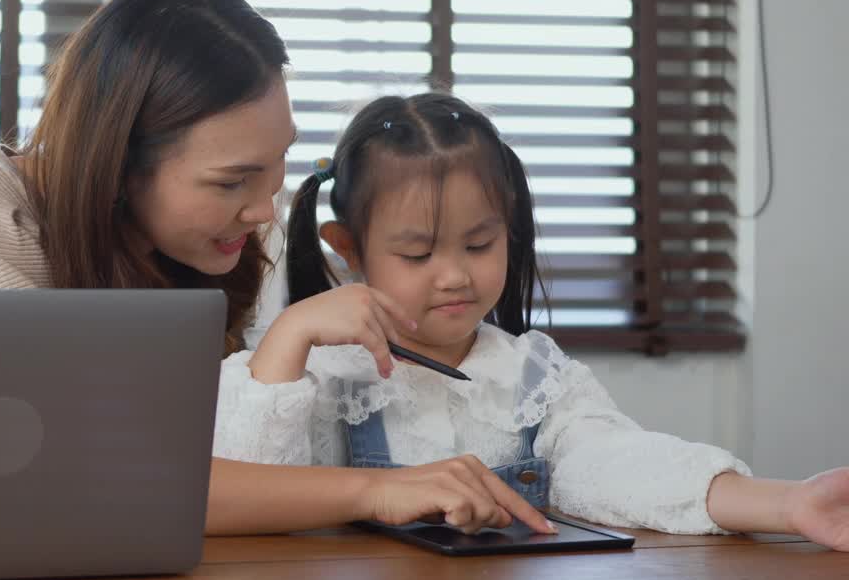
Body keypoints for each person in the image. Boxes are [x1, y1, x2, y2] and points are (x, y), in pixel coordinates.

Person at [0, 0, 554, 536]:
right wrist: (375, 490)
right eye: (231, 181)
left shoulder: (227, 233)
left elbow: (234, 452)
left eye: (279, 163)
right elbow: (75, 478)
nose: (265, 208)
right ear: (120, 166)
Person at [214, 92, 849, 549]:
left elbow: (621, 464)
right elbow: (235, 490)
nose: (455, 275)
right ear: (347, 249)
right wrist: (289, 334)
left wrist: (788, 504)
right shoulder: (317, 376)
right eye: (417, 253)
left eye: (481, 244)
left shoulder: (534, 375)